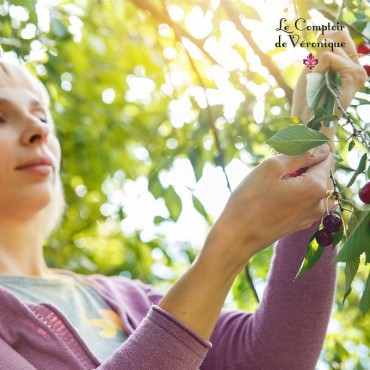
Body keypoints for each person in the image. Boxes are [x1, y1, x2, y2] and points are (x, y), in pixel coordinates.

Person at [0, 29, 366, 370]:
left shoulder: (122, 297)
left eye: (40, 114)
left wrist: (314, 136)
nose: (39, 129)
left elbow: (274, 356)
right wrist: (226, 249)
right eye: (1, 117)